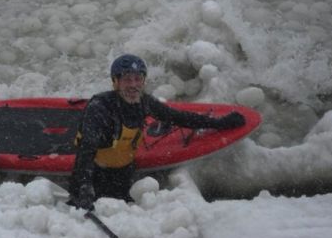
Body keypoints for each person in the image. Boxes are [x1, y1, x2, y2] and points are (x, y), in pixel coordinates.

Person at [67, 54, 245, 210]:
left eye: (138, 79)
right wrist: (84, 187)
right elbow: (86, 150)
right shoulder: (100, 108)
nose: (133, 85)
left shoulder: (144, 102)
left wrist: (219, 123)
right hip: (97, 172)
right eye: (127, 80)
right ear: (116, 82)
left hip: (125, 172)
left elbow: (178, 117)